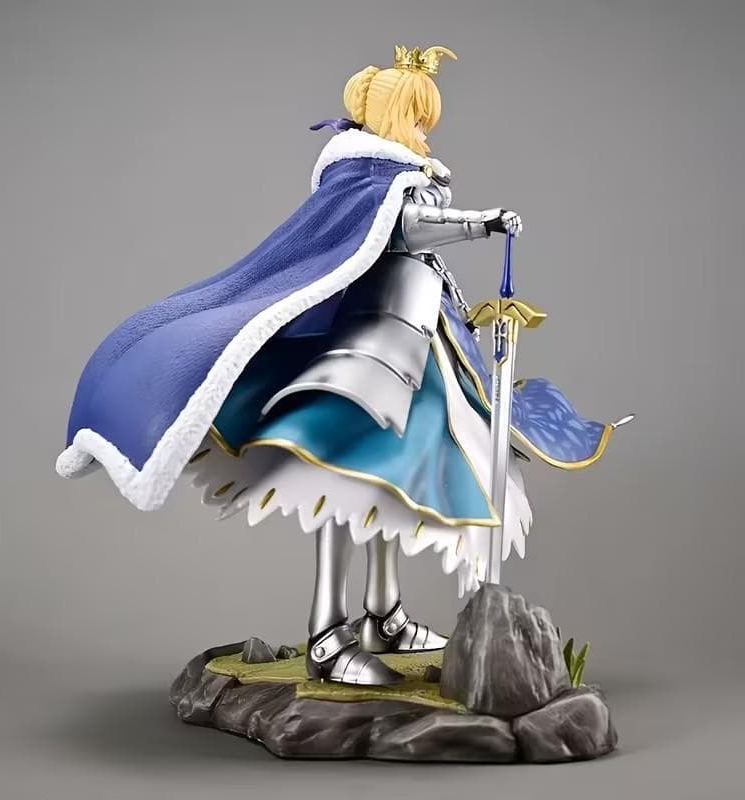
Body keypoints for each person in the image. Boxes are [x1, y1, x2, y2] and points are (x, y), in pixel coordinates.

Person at [57, 45, 622, 687]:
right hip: (367, 359)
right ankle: (327, 633)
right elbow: (406, 228)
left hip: (416, 351)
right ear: (394, 115)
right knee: (345, 482)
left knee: (391, 484)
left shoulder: (398, 173)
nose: (425, 130)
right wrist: (481, 223)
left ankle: (384, 615)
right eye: (418, 117)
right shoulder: (370, 178)